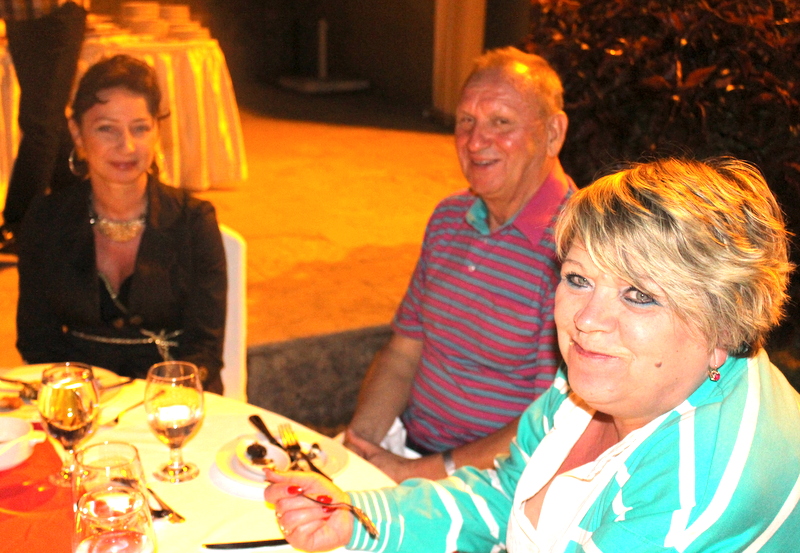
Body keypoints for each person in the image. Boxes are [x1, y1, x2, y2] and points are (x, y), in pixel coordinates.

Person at [265, 157, 800, 552]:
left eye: (639, 295)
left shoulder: (694, 488)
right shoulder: (602, 377)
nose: (587, 320)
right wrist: (360, 518)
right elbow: (507, 492)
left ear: (723, 324)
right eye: (578, 278)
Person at [344, 46, 575, 482]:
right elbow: (402, 353)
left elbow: (550, 421)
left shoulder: (575, 250)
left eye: (500, 122)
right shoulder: (449, 218)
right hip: (409, 450)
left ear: (553, 133)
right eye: (466, 121)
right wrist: (358, 448)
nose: (474, 141)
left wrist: (421, 473)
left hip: (494, 482)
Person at [16, 54, 227, 393]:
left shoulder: (193, 221)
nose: (126, 146)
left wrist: (165, 393)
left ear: (157, 131)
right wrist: (77, 393)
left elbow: (204, 346)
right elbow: (37, 339)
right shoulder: (46, 219)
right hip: (79, 395)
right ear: (77, 134)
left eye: (140, 128)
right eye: (107, 129)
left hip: (173, 397)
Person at [0, 0, 88, 257]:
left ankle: (21, 224)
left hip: (57, 10)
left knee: (40, 121)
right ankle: (75, 208)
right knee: (47, 117)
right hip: (18, 12)